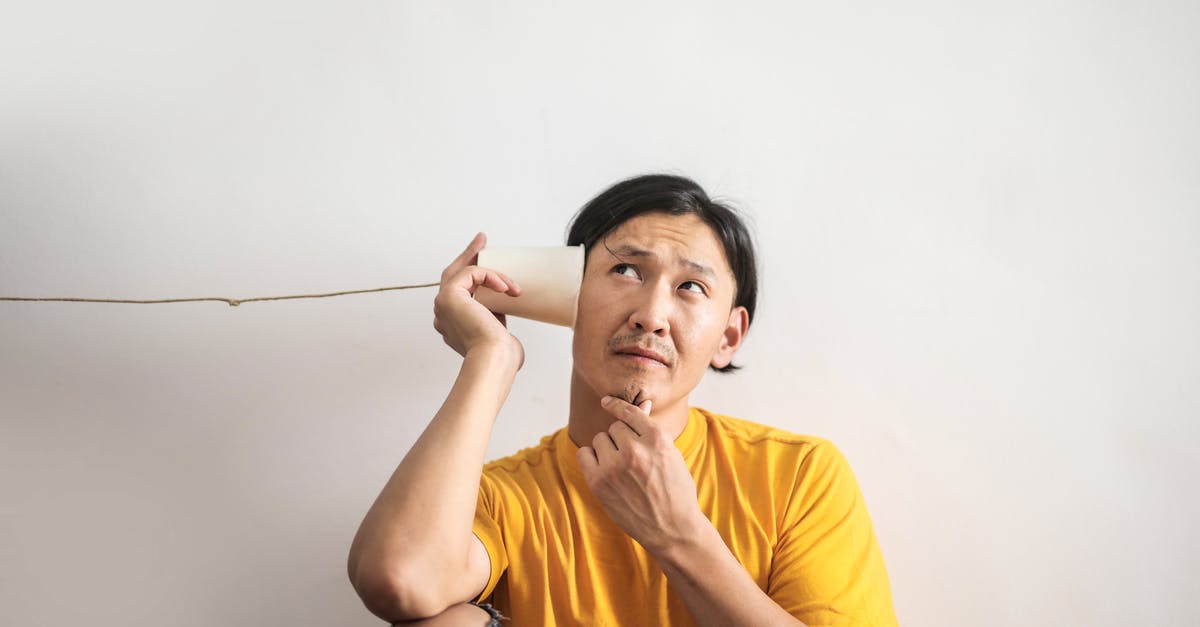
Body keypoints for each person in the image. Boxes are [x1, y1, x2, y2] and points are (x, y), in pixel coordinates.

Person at [347, 173, 898, 626]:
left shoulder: (798, 474)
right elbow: (399, 578)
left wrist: (676, 533)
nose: (651, 315)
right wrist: (490, 357)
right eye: (625, 270)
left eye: (691, 287)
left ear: (728, 337)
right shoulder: (503, 498)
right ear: (568, 297)